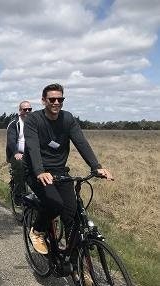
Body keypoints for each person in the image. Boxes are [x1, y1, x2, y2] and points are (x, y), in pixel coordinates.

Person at [24, 83, 113, 255]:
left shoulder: (68, 119)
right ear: (44, 101)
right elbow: (33, 147)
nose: (56, 102)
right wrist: (40, 171)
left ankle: (76, 264)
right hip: (37, 171)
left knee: (71, 216)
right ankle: (37, 231)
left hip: (60, 172)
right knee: (55, 204)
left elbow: (81, 142)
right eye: (52, 99)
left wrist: (96, 167)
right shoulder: (34, 120)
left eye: (60, 99)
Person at [6, 100, 32, 204]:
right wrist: (16, 152)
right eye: (24, 109)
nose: (27, 111)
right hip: (16, 153)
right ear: (20, 111)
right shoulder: (14, 124)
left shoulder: (34, 123)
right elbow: (11, 141)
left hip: (30, 153)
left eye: (29, 109)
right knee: (20, 165)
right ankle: (19, 194)